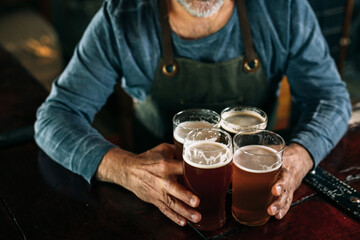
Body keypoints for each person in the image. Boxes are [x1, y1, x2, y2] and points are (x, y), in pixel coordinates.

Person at [34, 0, 351, 227]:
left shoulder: (284, 9)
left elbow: (331, 98)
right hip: (157, 209)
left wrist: (299, 158)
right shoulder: (122, 16)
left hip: (256, 204)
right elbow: (55, 117)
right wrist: (125, 168)